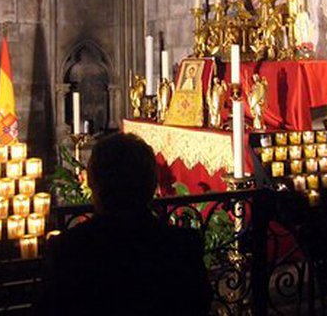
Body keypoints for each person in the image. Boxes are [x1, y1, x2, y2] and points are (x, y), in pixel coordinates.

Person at [37, 133, 212, 315]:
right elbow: (199, 304)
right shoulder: (182, 246)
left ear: (93, 183)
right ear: (152, 184)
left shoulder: (67, 249)